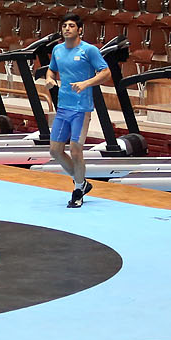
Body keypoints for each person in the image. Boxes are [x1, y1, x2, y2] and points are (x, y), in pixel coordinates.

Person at [42, 13, 112, 208]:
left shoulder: (89, 50)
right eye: (64, 25)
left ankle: (78, 190)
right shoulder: (57, 49)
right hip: (63, 107)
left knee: (75, 150)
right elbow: (51, 69)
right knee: (55, 150)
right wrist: (49, 78)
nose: (67, 28)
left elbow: (106, 72)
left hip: (81, 109)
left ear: (80, 30)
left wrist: (86, 83)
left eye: (71, 25)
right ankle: (81, 182)